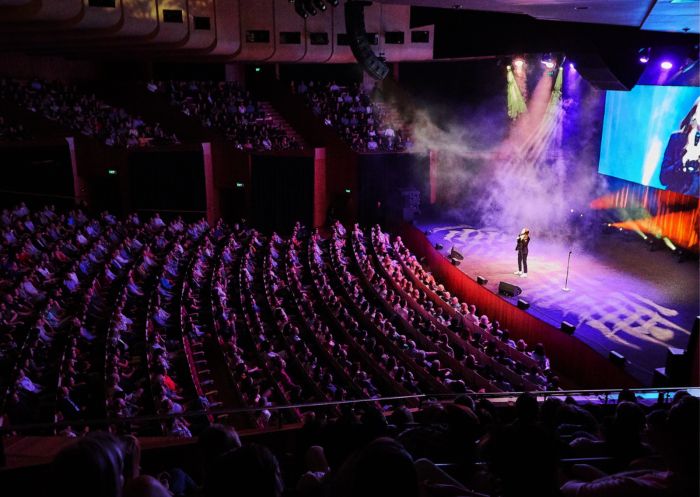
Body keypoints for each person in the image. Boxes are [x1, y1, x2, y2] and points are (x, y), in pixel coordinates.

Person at [660, 98, 700, 197]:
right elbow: (663, 178)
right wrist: (682, 162)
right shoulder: (676, 139)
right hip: (671, 201)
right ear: (694, 114)